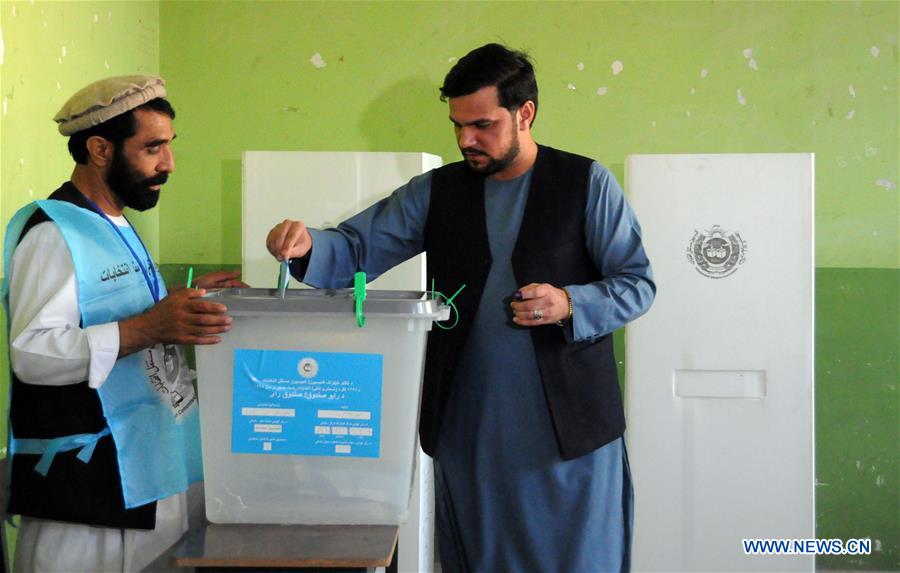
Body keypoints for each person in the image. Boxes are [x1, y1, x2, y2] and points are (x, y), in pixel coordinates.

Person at [266, 43, 655, 572]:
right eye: (457, 125)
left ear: (525, 114)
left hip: (571, 434)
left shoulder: (587, 184)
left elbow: (637, 283)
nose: (466, 139)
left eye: (482, 125)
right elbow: (355, 249)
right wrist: (306, 245)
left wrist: (570, 302)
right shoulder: (436, 192)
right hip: (469, 432)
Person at [2, 75, 246, 572]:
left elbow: (107, 310)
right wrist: (151, 327)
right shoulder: (53, 233)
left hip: (140, 476)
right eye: (152, 148)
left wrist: (179, 302)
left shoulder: (112, 223)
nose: (168, 164)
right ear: (100, 149)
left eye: (169, 146)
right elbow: (32, 353)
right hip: (85, 498)